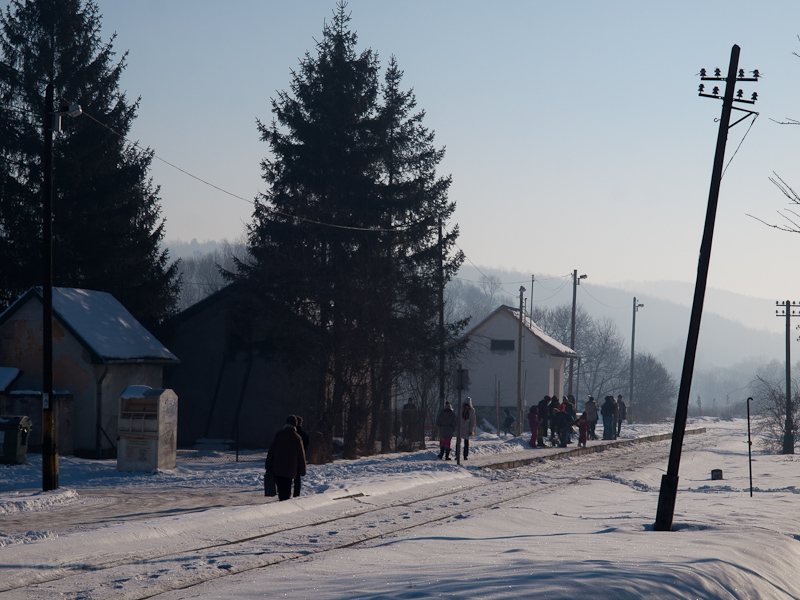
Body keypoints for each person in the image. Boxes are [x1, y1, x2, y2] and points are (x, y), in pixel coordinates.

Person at [265, 415, 307, 501]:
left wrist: (268, 464)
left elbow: (271, 451)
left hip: (278, 467)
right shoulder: (296, 437)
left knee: (280, 488)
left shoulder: (279, 435)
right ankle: (285, 502)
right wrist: (302, 470)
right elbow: (301, 455)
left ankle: (281, 500)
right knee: (287, 488)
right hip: (290, 469)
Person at [293, 415, 310, 497]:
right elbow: (307, 443)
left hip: (289, 458)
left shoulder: (287, 432)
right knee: (297, 477)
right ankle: (296, 494)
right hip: (299, 458)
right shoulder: (302, 434)